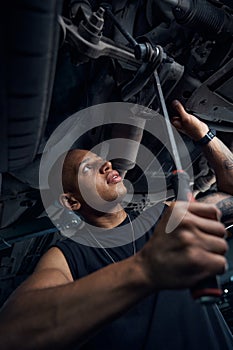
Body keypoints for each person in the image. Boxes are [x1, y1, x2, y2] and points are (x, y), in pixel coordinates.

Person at [0, 101, 233, 350]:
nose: (107, 165)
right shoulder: (68, 256)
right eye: (88, 168)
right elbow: (12, 331)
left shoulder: (162, 217)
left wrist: (203, 134)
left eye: (103, 160)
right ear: (71, 201)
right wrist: (144, 268)